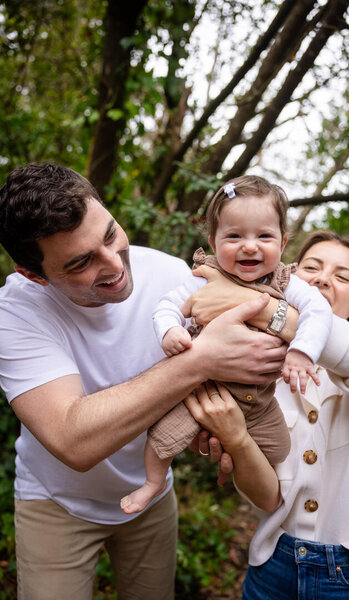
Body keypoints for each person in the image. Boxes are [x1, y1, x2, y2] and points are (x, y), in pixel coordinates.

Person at [0, 162, 292, 600]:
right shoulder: (15, 312)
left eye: (111, 235)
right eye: (81, 262)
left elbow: (280, 326)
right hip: (57, 502)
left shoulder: (171, 275)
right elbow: (72, 440)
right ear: (35, 275)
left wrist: (225, 430)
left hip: (152, 499)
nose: (114, 263)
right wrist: (199, 361)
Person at [184, 230, 349, 599]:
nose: (322, 278)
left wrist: (250, 302)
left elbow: (340, 344)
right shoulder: (257, 375)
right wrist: (235, 439)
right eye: (311, 268)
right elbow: (266, 500)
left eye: (342, 276)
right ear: (289, 280)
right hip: (273, 568)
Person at [120, 176, 332, 515]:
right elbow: (167, 306)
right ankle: (152, 483)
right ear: (213, 241)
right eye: (234, 236)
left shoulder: (286, 281)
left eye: (264, 236)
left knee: (279, 450)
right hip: (203, 391)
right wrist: (169, 330)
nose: (249, 246)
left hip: (260, 403)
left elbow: (318, 311)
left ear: (283, 241)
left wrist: (301, 351)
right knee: (162, 438)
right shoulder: (203, 276)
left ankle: (245, 473)